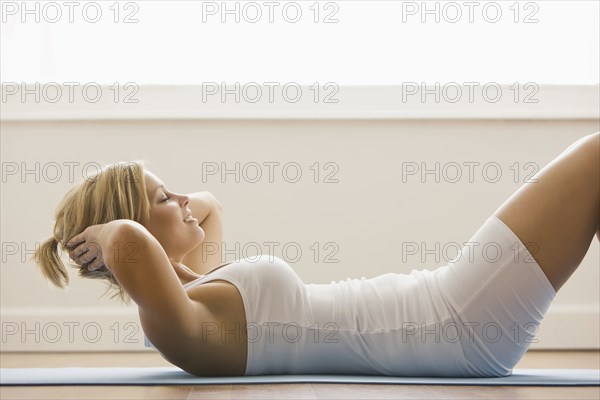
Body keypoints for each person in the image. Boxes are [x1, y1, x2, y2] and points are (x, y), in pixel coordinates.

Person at [34, 132, 599, 378]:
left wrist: (135, 218)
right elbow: (133, 243)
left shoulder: (201, 290)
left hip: (450, 307)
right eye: (163, 198)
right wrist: (108, 237)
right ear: (129, 227)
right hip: (455, 316)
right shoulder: (179, 326)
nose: (183, 199)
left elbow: (209, 208)